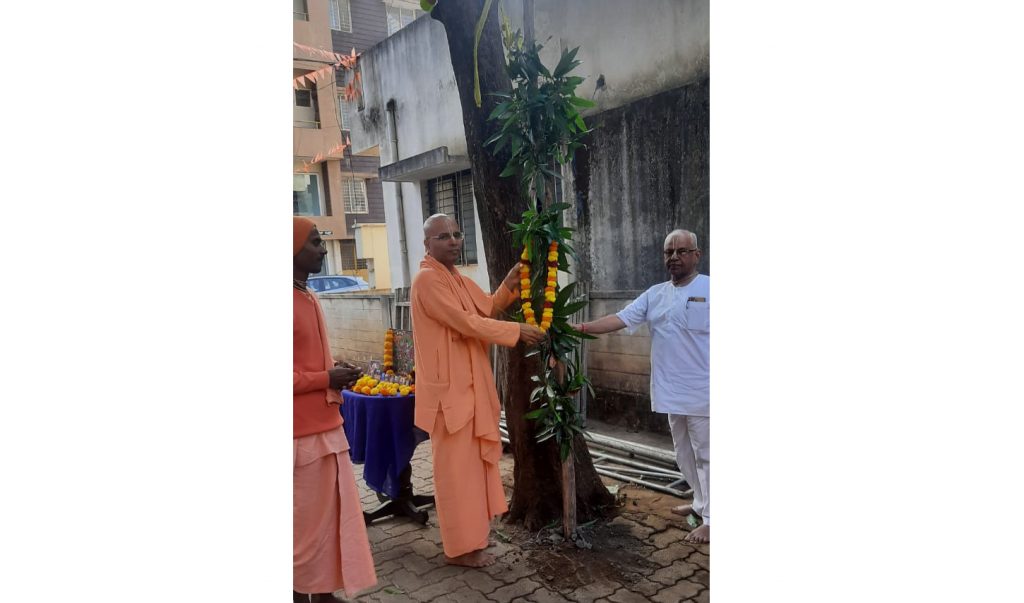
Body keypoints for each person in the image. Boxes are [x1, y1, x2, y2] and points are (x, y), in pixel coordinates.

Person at [411, 213, 546, 567]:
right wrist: (516, 332)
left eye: (457, 234)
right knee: (455, 476)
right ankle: (458, 550)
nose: (453, 240)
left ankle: (473, 540)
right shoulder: (427, 280)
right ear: (427, 244)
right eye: (443, 236)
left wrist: (507, 283)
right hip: (449, 395)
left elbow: (485, 306)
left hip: (470, 389)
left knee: (471, 472)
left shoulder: (456, 278)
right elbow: (466, 322)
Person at [574, 229, 710, 544]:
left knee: (708, 455)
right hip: (671, 390)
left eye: (681, 250)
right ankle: (701, 504)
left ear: (696, 255)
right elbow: (620, 319)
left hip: (705, 391)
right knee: (684, 453)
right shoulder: (655, 294)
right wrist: (580, 327)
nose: (674, 257)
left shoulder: (712, 289)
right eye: (669, 252)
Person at [293, 217, 377, 602]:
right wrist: (327, 377)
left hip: (327, 426)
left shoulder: (306, 295)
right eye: (315, 243)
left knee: (331, 519)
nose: (324, 249)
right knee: (304, 528)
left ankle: (323, 592)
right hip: (301, 435)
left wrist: (334, 369)